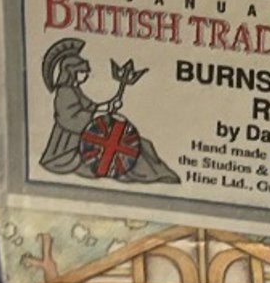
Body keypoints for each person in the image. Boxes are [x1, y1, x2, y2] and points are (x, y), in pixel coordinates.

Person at [40, 38, 179, 183]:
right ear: (71, 72)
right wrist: (97, 114)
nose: (86, 75)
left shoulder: (75, 90)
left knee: (144, 144)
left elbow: (91, 107)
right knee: (130, 150)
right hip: (71, 144)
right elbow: (69, 119)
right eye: (82, 72)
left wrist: (110, 105)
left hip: (85, 132)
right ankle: (153, 175)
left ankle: (158, 171)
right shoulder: (65, 92)